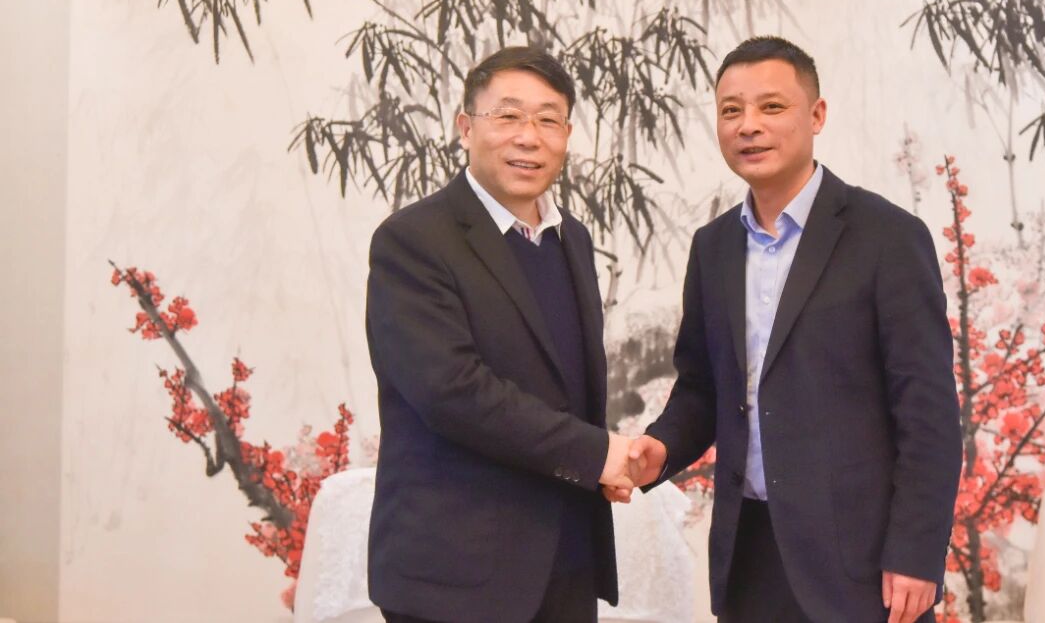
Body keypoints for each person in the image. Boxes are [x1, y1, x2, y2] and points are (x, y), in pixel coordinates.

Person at [626, 37, 963, 623]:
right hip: (749, 553)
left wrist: (915, 552)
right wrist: (661, 448)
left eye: (772, 107)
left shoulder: (887, 238)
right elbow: (703, 388)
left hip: (862, 564)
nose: (748, 126)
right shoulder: (713, 247)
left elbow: (928, 412)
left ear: (816, 114)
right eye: (731, 110)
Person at [364, 47, 634, 623]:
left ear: (566, 135)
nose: (528, 137)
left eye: (548, 119)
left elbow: (565, 387)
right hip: (458, 578)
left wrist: (603, 463)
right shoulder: (413, 240)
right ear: (466, 127)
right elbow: (453, 391)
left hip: (565, 562)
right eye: (508, 116)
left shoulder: (573, 240)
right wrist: (596, 454)